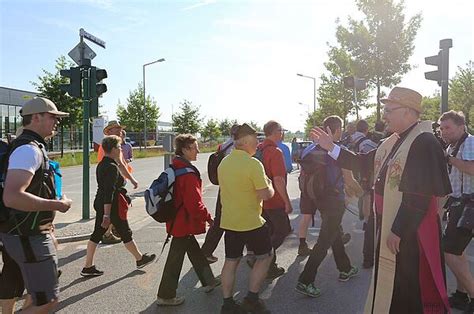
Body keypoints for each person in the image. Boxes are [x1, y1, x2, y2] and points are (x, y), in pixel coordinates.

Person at [311, 87, 451, 313]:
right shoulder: (392, 141)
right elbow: (363, 163)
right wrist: (331, 148)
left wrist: (399, 229)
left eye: (388, 109)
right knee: (395, 283)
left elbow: (420, 193)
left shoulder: (424, 141)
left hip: (410, 231)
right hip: (392, 223)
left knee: (409, 284)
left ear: (407, 111)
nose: (384, 115)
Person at [0, 97, 73, 313]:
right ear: (36, 117)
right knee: (47, 301)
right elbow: (12, 197)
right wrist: (58, 205)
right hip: (26, 235)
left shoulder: (30, 146)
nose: (56, 122)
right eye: (53, 117)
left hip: (26, 231)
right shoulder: (28, 150)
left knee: (36, 294)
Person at [295, 116, 358, 298]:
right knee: (324, 241)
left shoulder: (309, 149)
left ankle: (345, 268)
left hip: (318, 199)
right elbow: (349, 180)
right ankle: (305, 280)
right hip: (334, 201)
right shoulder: (339, 151)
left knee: (333, 233)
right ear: (337, 130)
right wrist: (360, 197)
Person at [157, 134, 220, 306]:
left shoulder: (176, 167)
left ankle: (209, 281)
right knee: (174, 260)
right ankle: (166, 295)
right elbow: (194, 204)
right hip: (183, 222)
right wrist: (208, 218)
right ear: (185, 150)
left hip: (177, 221)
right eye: (194, 147)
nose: (198, 150)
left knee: (194, 252)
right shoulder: (188, 174)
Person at [218, 123, 275, 313]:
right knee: (266, 256)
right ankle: (252, 298)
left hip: (230, 221)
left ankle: (227, 304)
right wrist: (269, 184)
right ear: (246, 141)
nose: (258, 143)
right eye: (256, 139)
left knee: (231, 261)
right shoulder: (253, 164)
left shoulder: (224, 163)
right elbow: (266, 194)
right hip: (251, 222)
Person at [81, 135, 155, 277]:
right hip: (111, 205)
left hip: (101, 202)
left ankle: (88, 266)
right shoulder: (112, 168)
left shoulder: (103, 164)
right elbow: (109, 191)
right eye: (119, 147)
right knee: (124, 231)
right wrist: (107, 214)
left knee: (97, 233)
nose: (121, 149)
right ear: (113, 149)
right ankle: (140, 259)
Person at [439, 110, 474, 312]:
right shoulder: (453, 145)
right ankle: (462, 295)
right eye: (442, 128)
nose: (443, 132)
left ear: (461, 126)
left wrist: (448, 159)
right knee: (457, 251)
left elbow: (471, 169)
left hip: (468, 204)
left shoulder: (468, 142)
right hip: (459, 205)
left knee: (450, 251)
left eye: (448, 127)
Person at [258, 120, 293, 279]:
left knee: (270, 231)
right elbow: (279, 179)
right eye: (281, 130)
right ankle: (264, 261)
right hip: (274, 199)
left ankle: (268, 265)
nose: (283, 133)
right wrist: (287, 201)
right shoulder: (275, 152)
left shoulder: (259, 149)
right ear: (274, 132)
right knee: (283, 230)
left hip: (261, 199)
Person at [202, 124, 239, 264]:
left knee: (220, 220)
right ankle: (206, 252)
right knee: (225, 221)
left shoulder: (223, 145)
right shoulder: (235, 148)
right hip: (233, 189)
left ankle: (206, 252)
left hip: (224, 187)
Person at [98, 121, 138, 244]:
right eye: (117, 129)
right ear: (109, 131)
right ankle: (109, 232)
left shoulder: (112, 145)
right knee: (114, 208)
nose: (120, 131)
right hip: (113, 181)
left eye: (120, 129)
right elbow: (119, 165)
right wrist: (132, 179)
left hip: (114, 180)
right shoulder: (111, 146)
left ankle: (108, 232)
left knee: (113, 209)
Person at [351, 120, 378, 269]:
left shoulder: (350, 138)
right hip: (373, 183)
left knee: (370, 221)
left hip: (361, 179)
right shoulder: (372, 144)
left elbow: (359, 160)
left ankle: (368, 259)